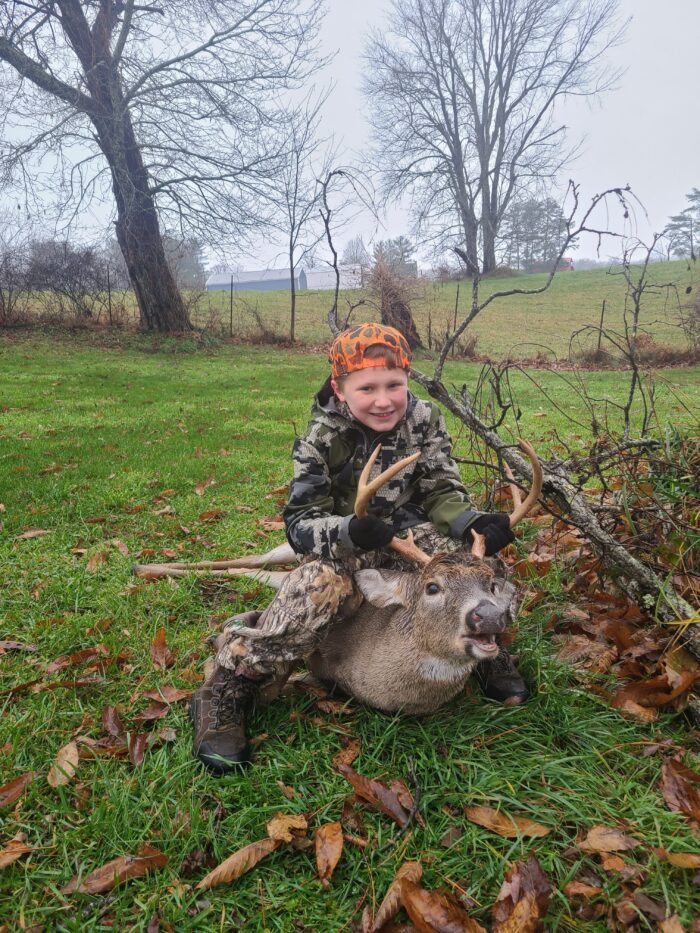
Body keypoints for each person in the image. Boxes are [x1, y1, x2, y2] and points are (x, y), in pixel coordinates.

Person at [190, 322, 529, 774]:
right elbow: (300, 523)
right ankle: (231, 684)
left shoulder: (424, 418)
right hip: (348, 542)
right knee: (318, 588)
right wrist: (349, 529)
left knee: (483, 566)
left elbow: (440, 487)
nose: (385, 400)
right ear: (340, 387)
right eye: (367, 387)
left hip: (409, 538)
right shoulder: (321, 438)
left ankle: (480, 644)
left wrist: (469, 522)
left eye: (395, 385)